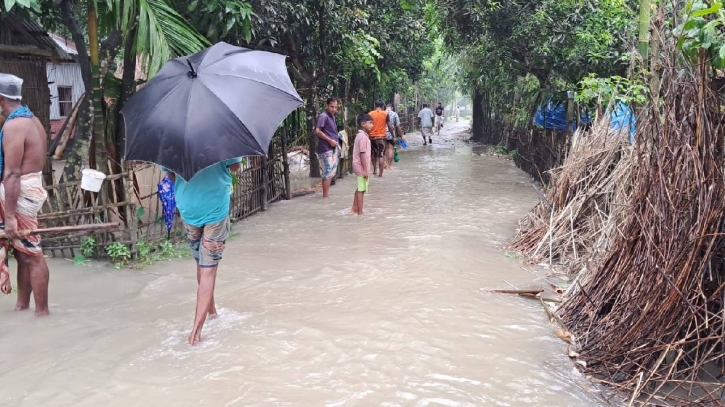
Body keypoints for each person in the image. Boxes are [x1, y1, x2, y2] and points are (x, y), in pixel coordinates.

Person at [163, 158, 242, 345]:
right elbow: (236, 167)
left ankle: (212, 312)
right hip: (215, 210)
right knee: (209, 269)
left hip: (189, 209)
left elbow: (171, 175)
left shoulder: (172, 142)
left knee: (201, 262)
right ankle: (195, 333)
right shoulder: (222, 138)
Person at [0, 73, 50, 316]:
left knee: (33, 255)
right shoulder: (32, 120)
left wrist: (9, 216)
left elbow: (12, 174)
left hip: (21, 194)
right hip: (31, 188)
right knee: (23, 254)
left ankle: (42, 313)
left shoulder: (14, 125)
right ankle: (22, 306)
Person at [315, 97, 339, 197]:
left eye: (335, 107)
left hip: (331, 148)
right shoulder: (323, 116)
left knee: (329, 173)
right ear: (327, 106)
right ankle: (325, 197)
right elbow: (317, 131)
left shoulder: (332, 116)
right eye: (332, 107)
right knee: (328, 173)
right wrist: (330, 140)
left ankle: (326, 196)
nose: (334, 109)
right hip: (325, 148)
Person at [351, 114, 373, 215]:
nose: (372, 125)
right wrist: (365, 169)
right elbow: (362, 153)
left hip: (359, 166)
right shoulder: (363, 137)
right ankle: (360, 212)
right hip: (361, 167)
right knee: (361, 189)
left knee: (360, 188)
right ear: (363, 124)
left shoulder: (360, 136)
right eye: (370, 123)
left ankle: (354, 208)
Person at [368, 100, 394, 177]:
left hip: (372, 137)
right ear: (383, 107)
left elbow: (367, 125)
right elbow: (389, 126)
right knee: (381, 155)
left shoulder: (370, 114)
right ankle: (381, 174)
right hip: (381, 138)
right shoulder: (385, 114)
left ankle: (375, 170)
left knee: (373, 154)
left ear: (374, 105)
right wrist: (393, 136)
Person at [384, 103, 405, 170]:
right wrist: (401, 135)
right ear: (392, 108)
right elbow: (398, 126)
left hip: (382, 134)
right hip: (391, 133)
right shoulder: (394, 114)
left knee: (385, 150)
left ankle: (385, 164)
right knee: (391, 150)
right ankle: (388, 167)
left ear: (386, 107)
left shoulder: (382, 113)